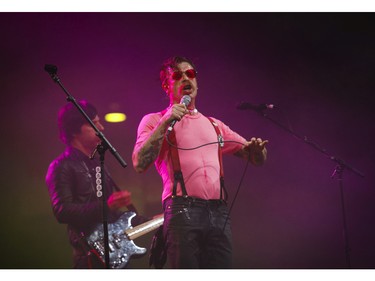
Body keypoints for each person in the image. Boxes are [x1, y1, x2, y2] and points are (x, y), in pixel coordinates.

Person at [132, 56, 268, 268]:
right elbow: (140, 163)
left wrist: (258, 150)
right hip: (181, 210)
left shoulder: (214, 125)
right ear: (167, 85)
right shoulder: (154, 120)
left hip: (219, 213)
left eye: (190, 74)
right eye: (177, 76)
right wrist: (166, 121)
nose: (186, 78)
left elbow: (256, 158)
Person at [46, 100, 146, 269]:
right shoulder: (61, 166)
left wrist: (151, 220)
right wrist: (106, 206)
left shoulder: (99, 164)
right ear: (74, 130)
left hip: (114, 254)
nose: (101, 128)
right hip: (89, 257)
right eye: (94, 123)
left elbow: (114, 218)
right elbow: (62, 211)